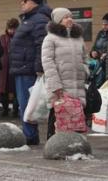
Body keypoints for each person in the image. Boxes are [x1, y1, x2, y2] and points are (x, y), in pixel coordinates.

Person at [9, 0, 51, 145]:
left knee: (29, 104)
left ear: (35, 2)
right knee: (26, 104)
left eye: (25, 0)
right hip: (23, 67)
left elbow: (42, 44)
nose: (22, 3)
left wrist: (39, 68)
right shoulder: (30, 19)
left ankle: (30, 135)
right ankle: (30, 134)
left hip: (29, 69)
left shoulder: (38, 20)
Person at [42, 7, 89, 139]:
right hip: (60, 85)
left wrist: (85, 71)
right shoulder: (50, 39)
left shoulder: (78, 38)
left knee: (76, 115)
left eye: (70, 16)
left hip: (77, 84)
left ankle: (75, 143)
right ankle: (53, 144)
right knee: (57, 113)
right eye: (66, 17)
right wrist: (55, 85)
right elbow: (47, 63)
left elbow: (84, 58)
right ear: (58, 21)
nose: (70, 19)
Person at [0, 18, 19, 117]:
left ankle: (15, 110)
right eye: (10, 28)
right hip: (4, 68)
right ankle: (5, 109)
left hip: (15, 66)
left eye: (14, 29)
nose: (12, 31)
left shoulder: (19, 37)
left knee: (16, 90)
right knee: (3, 90)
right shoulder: (3, 37)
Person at [89, 13, 108, 88]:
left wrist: (107, 54)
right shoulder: (101, 33)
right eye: (103, 24)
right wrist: (93, 53)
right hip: (100, 65)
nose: (104, 26)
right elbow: (94, 47)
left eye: (106, 24)